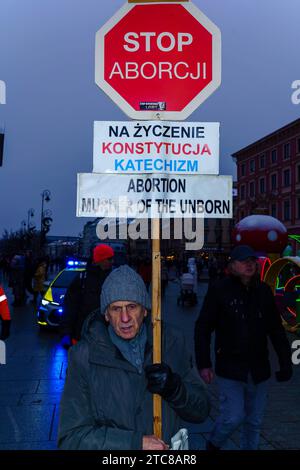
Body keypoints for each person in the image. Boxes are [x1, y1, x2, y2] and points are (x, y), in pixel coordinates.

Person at [58, 265, 210, 450]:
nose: (124, 318)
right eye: (115, 308)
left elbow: (202, 410)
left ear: (145, 310)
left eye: (132, 306)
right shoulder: (84, 357)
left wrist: (176, 389)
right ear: (106, 314)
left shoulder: (171, 342)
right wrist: (134, 444)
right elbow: (71, 438)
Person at [194, 245, 293, 451]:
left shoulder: (264, 291)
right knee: (233, 416)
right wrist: (204, 364)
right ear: (232, 266)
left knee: (254, 422)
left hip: (259, 369)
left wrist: (285, 362)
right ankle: (213, 444)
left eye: (252, 260)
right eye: (243, 260)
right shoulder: (219, 290)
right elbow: (203, 327)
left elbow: (276, 330)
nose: (249, 264)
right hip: (230, 367)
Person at [60, 244, 114, 347]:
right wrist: (66, 333)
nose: (112, 262)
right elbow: (70, 307)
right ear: (100, 259)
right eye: (109, 259)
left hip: (107, 337)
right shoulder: (82, 279)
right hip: (82, 335)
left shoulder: (113, 279)